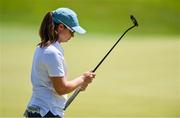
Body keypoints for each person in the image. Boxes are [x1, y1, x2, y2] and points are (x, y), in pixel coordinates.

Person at [24, 8, 96, 118]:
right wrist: (82, 78)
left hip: (39, 110)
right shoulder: (52, 52)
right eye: (72, 31)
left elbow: (54, 86)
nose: (73, 35)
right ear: (61, 27)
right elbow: (61, 89)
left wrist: (79, 84)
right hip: (47, 112)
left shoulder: (42, 47)